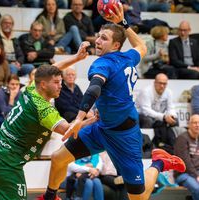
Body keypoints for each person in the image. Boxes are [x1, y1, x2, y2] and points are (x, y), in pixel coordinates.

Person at [41, 4, 186, 200]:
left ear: (116, 45)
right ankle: (50, 197)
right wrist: (123, 23)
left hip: (125, 136)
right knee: (59, 158)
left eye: (104, 39)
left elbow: (94, 89)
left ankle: (158, 163)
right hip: (102, 128)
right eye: (98, 36)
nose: (98, 41)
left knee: (138, 198)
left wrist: (79, 118)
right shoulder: (128, 57)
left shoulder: (102, 63)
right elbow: (141, 46)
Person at [0, 41, 97, 200]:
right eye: (56, 83)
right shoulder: (44, 110)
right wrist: (94, 119)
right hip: (6, 166)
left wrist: (76, 58)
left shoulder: (30, 89)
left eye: (60, 81)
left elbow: (54, 70)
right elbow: (68, 130)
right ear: (43, 84)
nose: (60, 86)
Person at [174, 114, 199, 200]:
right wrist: (196, 176)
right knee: (197, 189)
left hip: (196, 173)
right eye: (195, 122)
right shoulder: (182, 138)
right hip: (183, 174)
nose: (197, 125)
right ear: (189, 125)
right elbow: (185, 161)